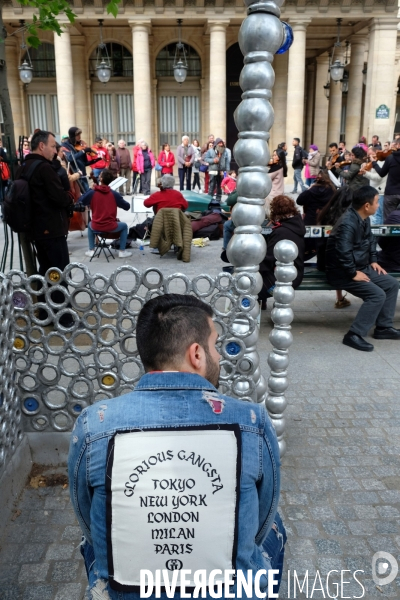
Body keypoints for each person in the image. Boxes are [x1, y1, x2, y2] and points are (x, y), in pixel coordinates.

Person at [68, 293, 286, 600]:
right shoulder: (251, 420)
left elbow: (87, 517)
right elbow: (261, 522)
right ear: (196, 354)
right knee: (275, 524)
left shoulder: (94, 425)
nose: (219, 357)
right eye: (214, 345)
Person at [325, 185, 400, 352]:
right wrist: (352, 273)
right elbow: (342, 252)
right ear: (367, 205)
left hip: (360, 266)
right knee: (377, 294)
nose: (379, 205)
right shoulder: (347, 223)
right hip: (342, 272)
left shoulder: (363, 217)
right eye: (376, 202)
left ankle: (383, 328)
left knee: (391, 284)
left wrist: (373, 260)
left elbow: (371, 241)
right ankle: (354, 335)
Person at [17, 130, 74, 326]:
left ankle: (45, 314)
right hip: (51, 228)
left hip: (36, 230)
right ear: (41, 146)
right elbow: (59, 197)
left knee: (45, 272)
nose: (55, 150)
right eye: (52, 146)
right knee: (58, 273)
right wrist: (70, 198)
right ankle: (65, 319)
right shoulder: (44, 168)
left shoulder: (23, 165)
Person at [259, 195, 306, 309]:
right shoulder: (295, 224)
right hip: (295, 273)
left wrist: (253, 270)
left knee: (250, 287)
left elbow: (268, 260)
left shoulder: (281, 232)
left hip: (285, 278)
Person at [78, 168, 132, 259]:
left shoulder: (92, 192)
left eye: (100, 175)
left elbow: (80, 201)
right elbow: (127, 206)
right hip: (111, 226)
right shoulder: (114, 194)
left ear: (101, 179)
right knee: (124, 226)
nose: (98, 176)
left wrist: (89, 190)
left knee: (90, 224)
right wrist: (117, 201)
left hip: (96, 226)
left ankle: (91, 250)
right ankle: (122, 251)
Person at [317, 186, 353, 309]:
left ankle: (340, 297)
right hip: (342, 265)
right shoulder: (350, 217)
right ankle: (341, 298)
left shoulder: (326, 212)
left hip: (323, 263)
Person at [62, 127, 101, 192]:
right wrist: (83, 151)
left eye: (80, 135)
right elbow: (70, 158)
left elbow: (84, 163)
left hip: (83, 175)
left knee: (87, 195)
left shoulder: (80, 145)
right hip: (74, 176)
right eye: (78, 135)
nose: (80, 137)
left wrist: (96, 160)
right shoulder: (65, 145)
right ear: (73, 136)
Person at [371, 138, 400, 222]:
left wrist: (374, 163)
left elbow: (381, 173)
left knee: (388, 220)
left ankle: (388, 235)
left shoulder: (390, 158)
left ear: (398, 145)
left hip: (391, 193)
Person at [359, 148, 386, 225]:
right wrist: (363, 165)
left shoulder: (381, 162)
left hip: (380, 192)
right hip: (375, 191)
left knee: (376, 216)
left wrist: (366, 173)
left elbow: (378, 177)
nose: (369, 156)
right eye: (368, 154)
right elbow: (369, 169)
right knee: (375, 215)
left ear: (376, 153)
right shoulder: (374, 162)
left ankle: (376, 236)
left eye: (370, 154)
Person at [205, 138, 228, 202]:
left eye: (222, 143)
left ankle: (218, 199)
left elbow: (226, 161)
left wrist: (225, 170)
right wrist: (213, 160)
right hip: (213, 170)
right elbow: (206, 159)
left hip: (221, 171)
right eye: (219, 143)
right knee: (212, 185)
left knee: (219, 186)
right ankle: (209, 199)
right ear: (216, 144)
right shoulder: (210, 151)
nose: (221, 144)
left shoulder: (224, 151)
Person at [266, 149, 286, 215]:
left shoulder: (277, 168)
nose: (273, 157)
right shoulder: (281, 166)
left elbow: (266, 178)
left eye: (275, 155)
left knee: (272, 214)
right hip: (279, 192)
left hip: (273, 194)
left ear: (279, 157)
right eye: (273, 155)